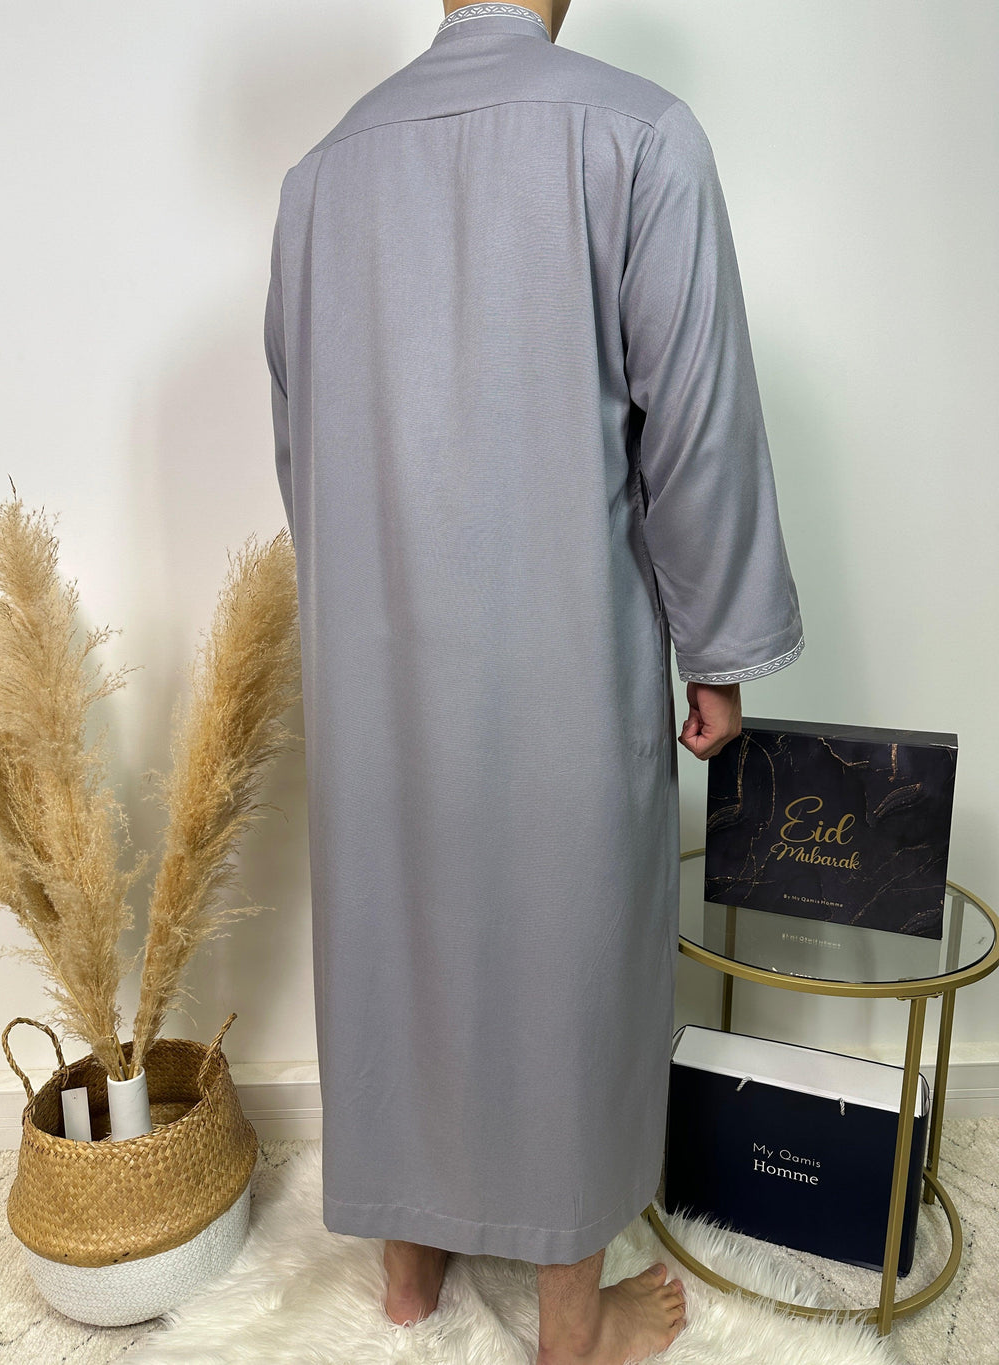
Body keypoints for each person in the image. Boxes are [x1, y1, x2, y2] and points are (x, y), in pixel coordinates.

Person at [264, 2, 804, 1360]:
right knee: (570, 941)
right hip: (561, 639)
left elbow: (299, 437)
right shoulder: (639, 134)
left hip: (374, 644)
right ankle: (574, 1323)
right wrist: (721, 647)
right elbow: (696, 425)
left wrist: (360, 607)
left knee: (394, 925)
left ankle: (408, 1270)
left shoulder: (321, 175)